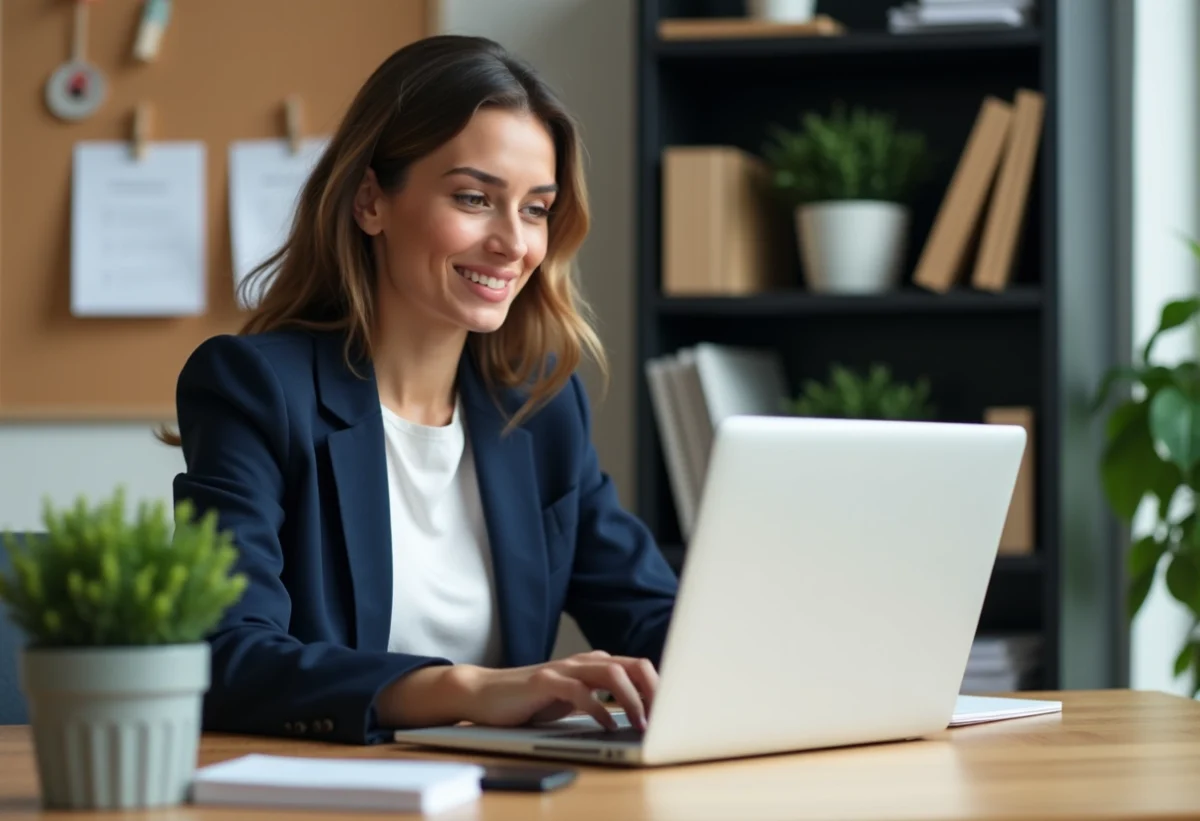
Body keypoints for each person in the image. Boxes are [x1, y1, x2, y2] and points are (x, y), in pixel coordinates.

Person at [161, 34, 679, 746]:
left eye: (535, 208)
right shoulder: (255, 389)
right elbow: (224, 654)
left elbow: (654, 616)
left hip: (506, 794)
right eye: (474, 198)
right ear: (371, 200)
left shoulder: (541, 407)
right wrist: (471, 687)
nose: (513, 242)